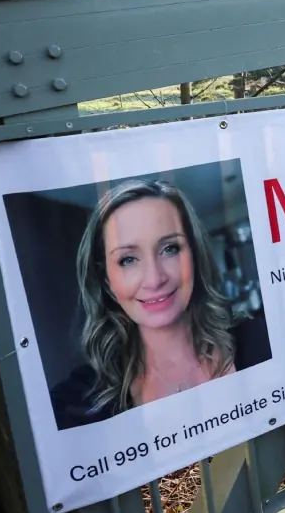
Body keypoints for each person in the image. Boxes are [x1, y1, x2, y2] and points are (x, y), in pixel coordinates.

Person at [49, 179, 269, 429]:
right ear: (107, 280)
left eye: (170, 249)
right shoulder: (74, 404)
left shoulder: (262, 340)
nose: (154, 279)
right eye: (128, 259)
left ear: (195, 257)